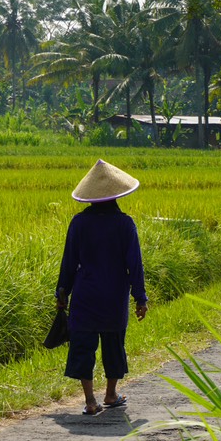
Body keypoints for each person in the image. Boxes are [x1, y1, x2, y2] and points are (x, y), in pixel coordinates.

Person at [55, 159, 148, 416]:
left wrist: (62, 292)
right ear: (117, 195)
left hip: (85, 295)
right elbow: (135, 265)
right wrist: (140, 297)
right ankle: (110, 394)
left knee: (83, 345)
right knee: (113, 344)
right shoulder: (125, 224)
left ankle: (89, 400)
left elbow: (69, 262)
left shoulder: (79, 223)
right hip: (114, 295)